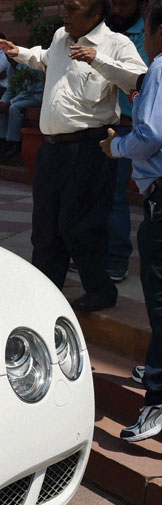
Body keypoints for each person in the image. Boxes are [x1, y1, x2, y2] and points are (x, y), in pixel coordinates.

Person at [0, 0, 146, 312]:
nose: (64, 12)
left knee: (82, 224)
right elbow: (45, 58)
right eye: (64, 5)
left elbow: (138, 81)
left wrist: (99, 60)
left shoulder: (116, 44)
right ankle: (46, 287)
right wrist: (16, 51)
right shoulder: (61, 36)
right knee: (45, 224)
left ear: (97, 11)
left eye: (73, 7)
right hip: (52, 149)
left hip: (89, 147)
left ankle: (100, 291)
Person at [100, 0, 162, 441]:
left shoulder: (159, 67)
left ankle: (156, 401)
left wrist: (115, 148)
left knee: (159, 301)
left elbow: (151, 135)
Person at [105, 0, 150, 282]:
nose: (117, 7)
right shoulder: (105, 31)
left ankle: (116, 259)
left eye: (124, 2)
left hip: (129, 125)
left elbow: (141, 81)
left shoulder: (146, 36)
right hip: (101, 124)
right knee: (96, 193)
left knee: (116, 196)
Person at [0, 60, 44, 160]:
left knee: (14, 108)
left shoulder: (28, 66)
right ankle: (2, 139)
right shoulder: (11, 68)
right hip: (21, 96)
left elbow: (28, 91)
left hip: (35, 95)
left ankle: (14, 141)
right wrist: (2, 102)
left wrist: (10, 102)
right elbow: (10, 89)